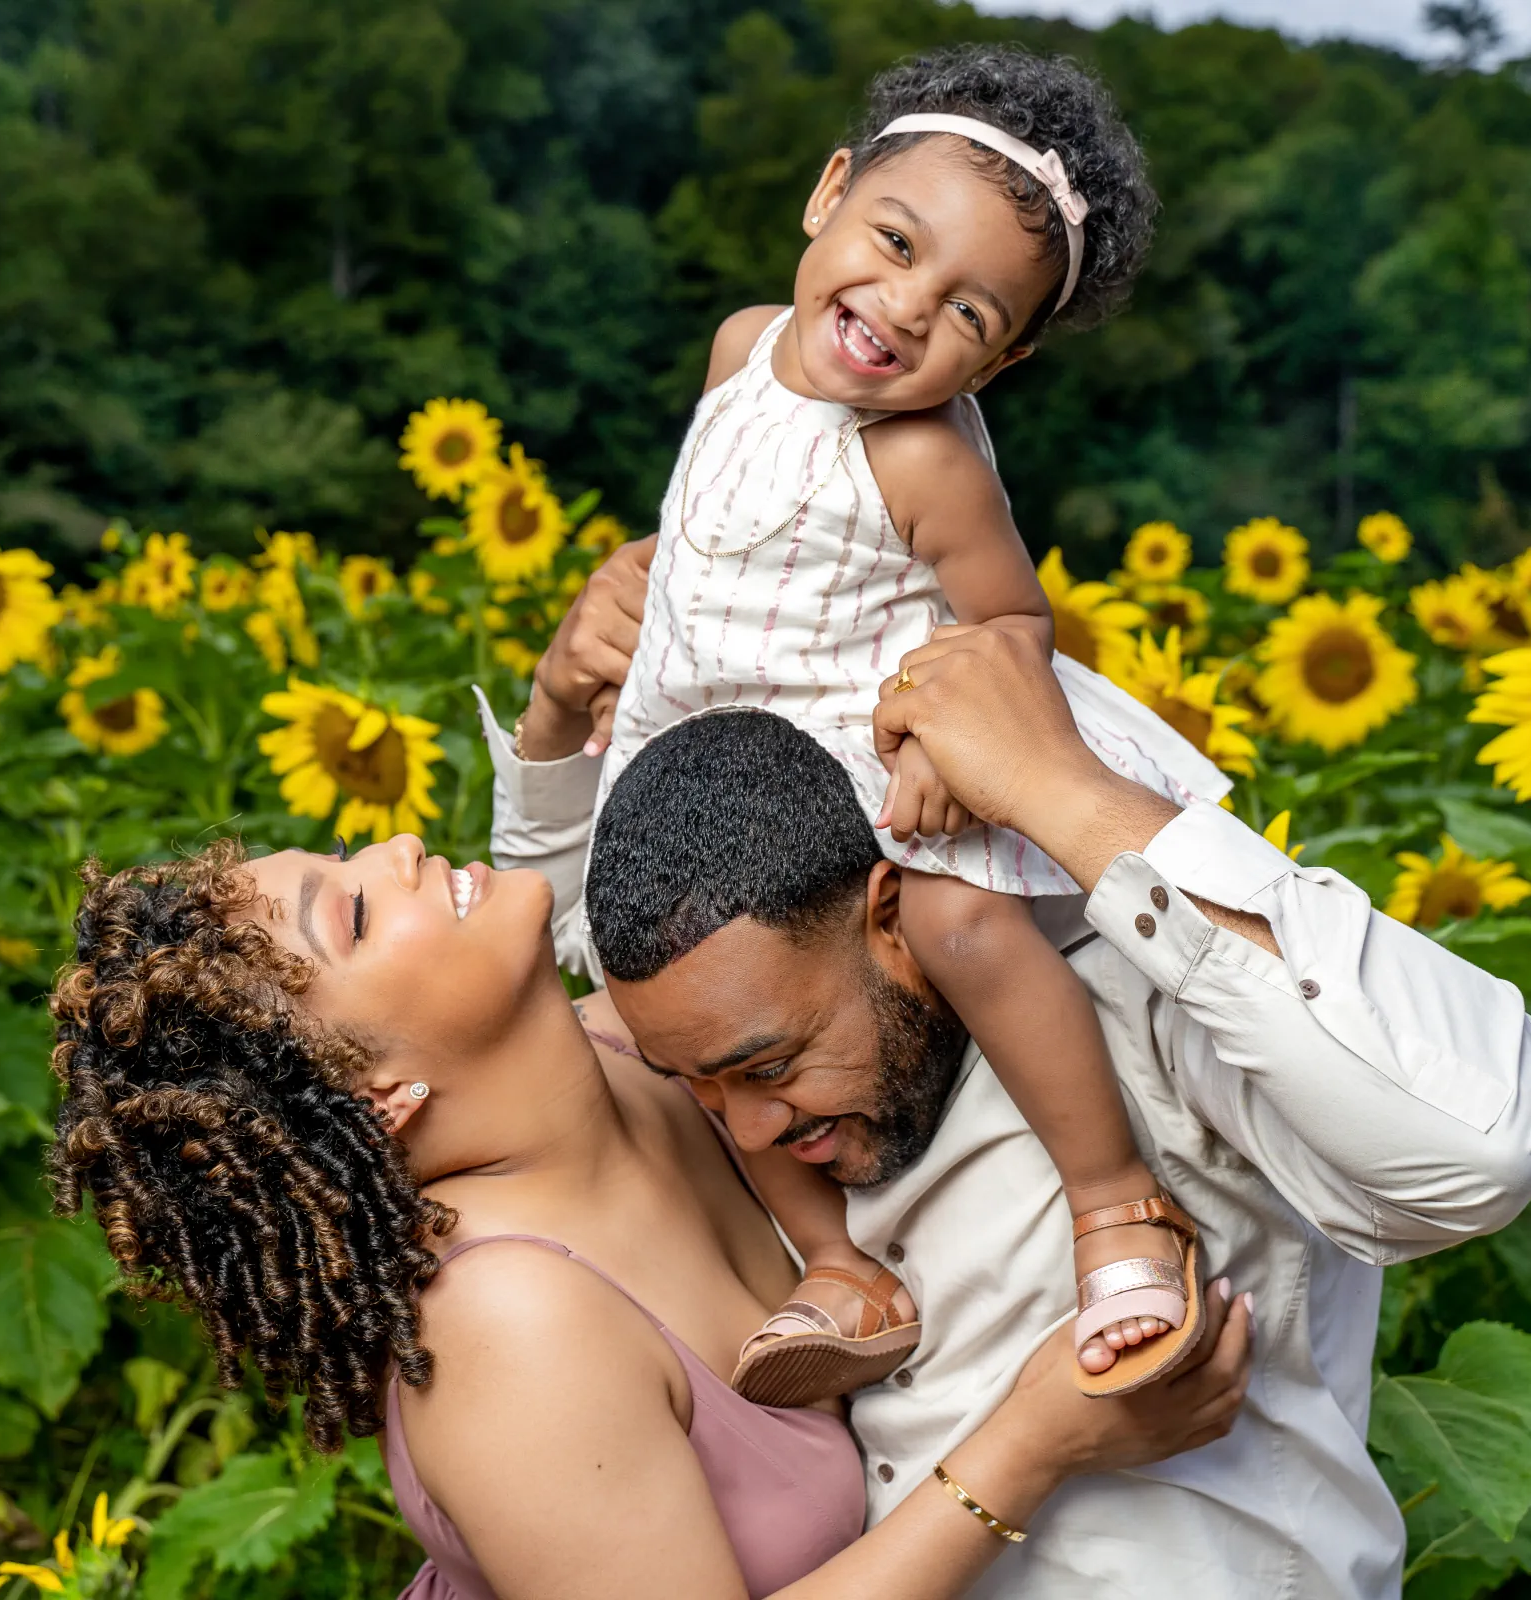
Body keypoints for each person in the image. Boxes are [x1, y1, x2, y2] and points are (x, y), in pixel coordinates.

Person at [490, 578, 1531, 1594]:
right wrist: (553, 723)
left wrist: (1068, 791)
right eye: (703, 1086)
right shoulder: (733, 1003)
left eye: (771, 1068)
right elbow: (552, 968)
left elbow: (1480, 1152)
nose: (750, 1127)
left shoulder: (1145, 999)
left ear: (892, 913)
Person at [45, 835, 1254, 1600]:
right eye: (353, 913)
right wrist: (1033, 1447)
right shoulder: (504, 1326)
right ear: (379, 1097)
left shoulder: (642, 1047)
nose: (401, 845)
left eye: (347, 854)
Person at [573, 41, 1225, 1405]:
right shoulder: (744, 347)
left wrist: (937, 740)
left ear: (1012, 355)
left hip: (853, 771)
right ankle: (835, 1270)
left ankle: (1113, 1208)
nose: (901, 306)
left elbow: (1015, 627)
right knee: (699, 1009)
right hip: (694, 764)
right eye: (892, 240)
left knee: (961, 925)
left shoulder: (923, 459)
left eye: (970, 312)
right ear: (828, 195)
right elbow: (726, 514)